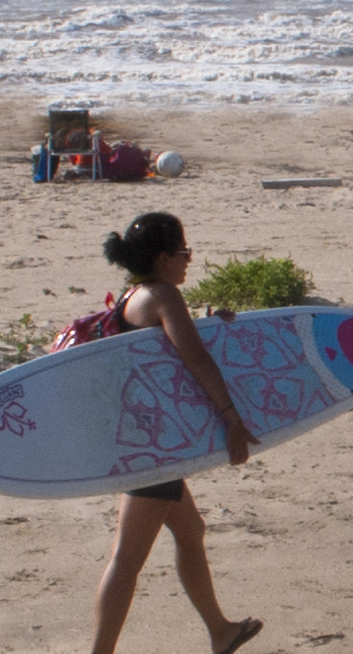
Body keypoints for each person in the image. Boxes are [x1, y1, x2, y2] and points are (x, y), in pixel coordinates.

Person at [92, 212, 264, 654]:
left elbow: (162, 351)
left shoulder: (135, 296)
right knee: (127, 558)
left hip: (147, 438)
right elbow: (194, 359)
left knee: (191, 531)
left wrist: (207, 320)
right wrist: (232, 418)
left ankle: (221, 631)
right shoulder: (164, 295)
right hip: (154, 448)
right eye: (184, 252)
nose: (189, 260)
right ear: (164, 257)